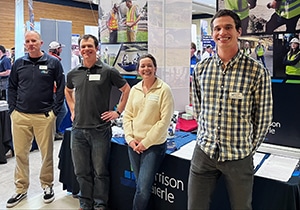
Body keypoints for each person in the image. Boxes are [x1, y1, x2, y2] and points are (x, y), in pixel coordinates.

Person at [188, 9, 273, 210]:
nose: (222, 32)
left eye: (228, 27)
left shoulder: (256, 70)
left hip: (238, 156)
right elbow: (198, 107)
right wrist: (204, 136)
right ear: (212, 33)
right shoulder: (201, 68)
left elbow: (263, 117)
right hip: (204, 153)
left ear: (238, 31)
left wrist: (247, 148)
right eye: (217, 28)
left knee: (241, 207)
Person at [64, 34, 130, 210]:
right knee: (81, 172)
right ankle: (85, 204)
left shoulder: (108, 71)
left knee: (100, 172)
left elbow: (126, 89)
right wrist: (72, 109)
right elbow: (67, 90)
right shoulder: (73, 73)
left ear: (97, 48)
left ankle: (100, 205)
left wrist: (118, 111)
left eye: (89, 46)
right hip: (77, 131)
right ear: (79, 49)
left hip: (100, 130)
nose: (86, 49)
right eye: (83, 46)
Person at [6, 30, 65, 208]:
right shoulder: (18, 63)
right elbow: (12, 87)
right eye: (27, 41)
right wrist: (13, 111)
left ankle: (47, 186)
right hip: (20, 116)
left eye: (34, 41)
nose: (30, 44)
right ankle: (21, 188)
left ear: (40, 43)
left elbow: (61, 88)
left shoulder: (53, 63)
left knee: (46, 154)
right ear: (25, 44)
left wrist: (54, 111)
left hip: (44, 117)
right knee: (21, 155)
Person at [123, 54, 174, 210]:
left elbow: (164, 122)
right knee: (141, 187)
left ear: (155, 68)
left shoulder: (164, 90)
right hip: (134, 146)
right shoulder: (135, 90)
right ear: (138, 70)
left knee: (143, 189)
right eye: (142, 66)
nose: (146, 69)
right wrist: (130, 139)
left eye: (149, 65)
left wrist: (145, 143)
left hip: (153, 146)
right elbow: (128, 115)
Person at [48, 41, 68, 140]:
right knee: (62, 111)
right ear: (56, 49)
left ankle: (54, 131)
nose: (61, 50)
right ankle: (55, 131)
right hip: (55, 92)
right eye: (60, 48)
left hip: (52, 91)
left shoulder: (51, 59)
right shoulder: (54, 60)